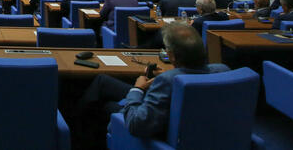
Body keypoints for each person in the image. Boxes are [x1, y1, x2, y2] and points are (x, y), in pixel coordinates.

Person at [77, 24, 230, 146]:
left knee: (107, 106)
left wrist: (137, 89)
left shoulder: (168, 81)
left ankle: (78, 134)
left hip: (162, 133)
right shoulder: (223, 71)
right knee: (103, 81)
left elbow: (137, 125)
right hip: (203, 129)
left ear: (171, 55)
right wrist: (164, 75)